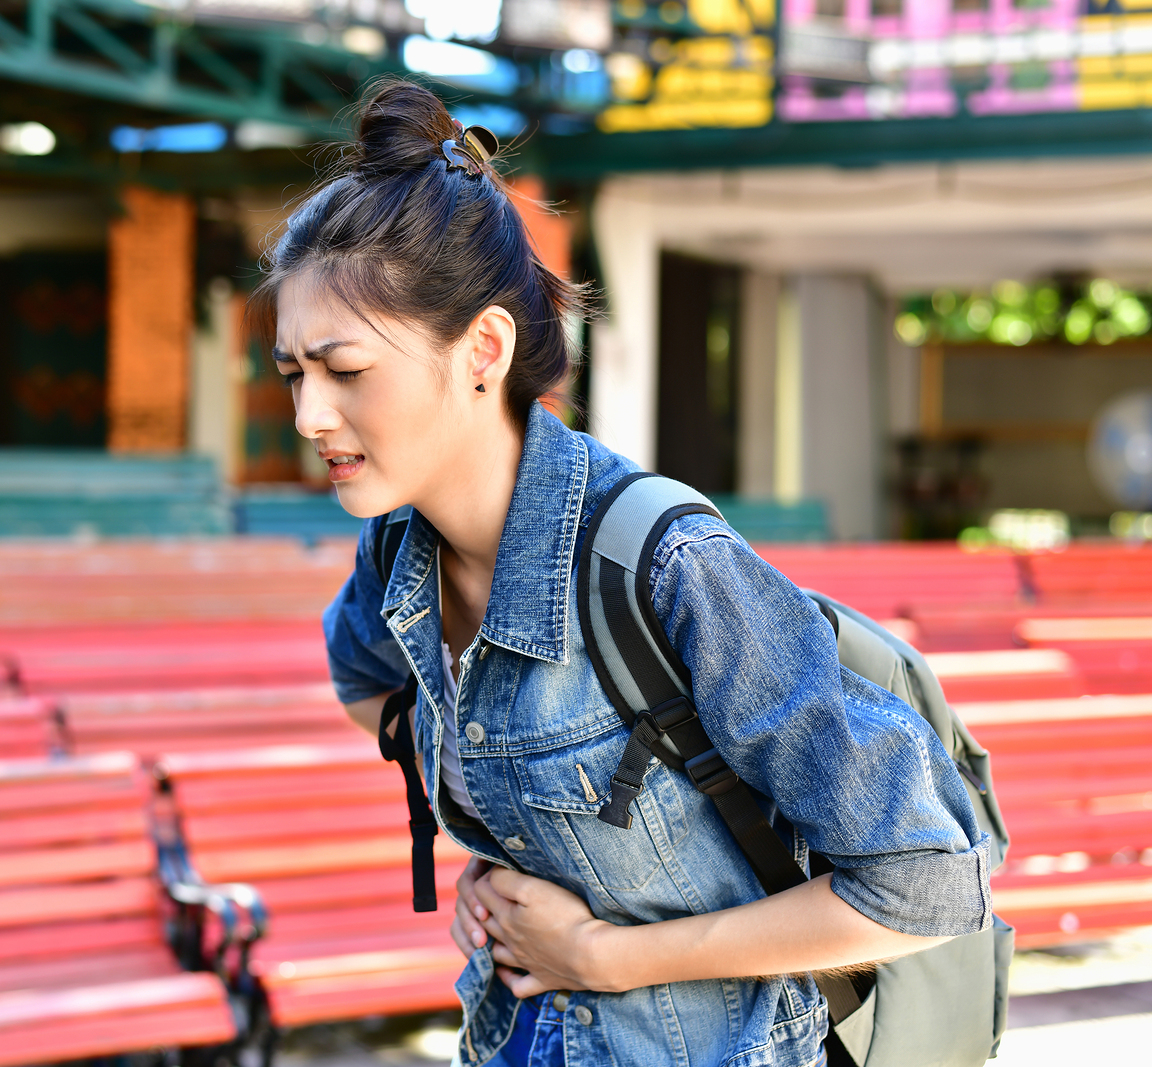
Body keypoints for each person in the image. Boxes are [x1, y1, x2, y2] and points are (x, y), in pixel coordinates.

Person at [248, 79, 992, 1067]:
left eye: (344, 369)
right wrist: (511, 847)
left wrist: (606, 953)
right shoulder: (400, 539)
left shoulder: (664, 564)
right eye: (294, 371)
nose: (308, 415)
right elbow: (369, 689)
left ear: (482, 348)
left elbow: (926, 883)